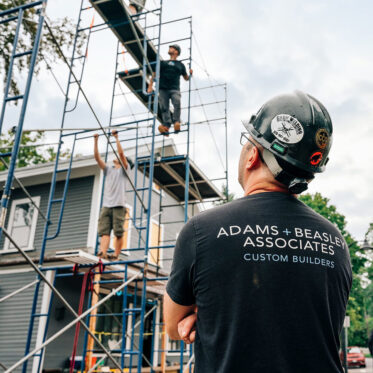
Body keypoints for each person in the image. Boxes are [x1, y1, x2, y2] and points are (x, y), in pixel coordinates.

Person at [164, 91, 352, 372]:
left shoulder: (202, 231)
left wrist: (210, 312)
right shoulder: (335, 241)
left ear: (253, 155)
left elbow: (174, 326)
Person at [94, 130, 129, 260]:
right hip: (107, 205)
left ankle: (115, 254)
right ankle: (102, 252)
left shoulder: (124, 170)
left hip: (119, 205)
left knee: (118, 232)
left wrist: (116, 138)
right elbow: (97, 158)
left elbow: (121, 153)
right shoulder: (108, 170)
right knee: (104, 231)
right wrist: (96, 140)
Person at [147, 44, 193, 136]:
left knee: (177, 103)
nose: (169, 49)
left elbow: (186, 78)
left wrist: (190, 74)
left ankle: (176, 122)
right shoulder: (163, 63)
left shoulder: (180, 65)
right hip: (163, 88)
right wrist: (150, 86)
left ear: (176, 51)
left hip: (174, 88)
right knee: (164, 107)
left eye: (172, 48)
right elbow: (155, 74)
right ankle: (166, 125)